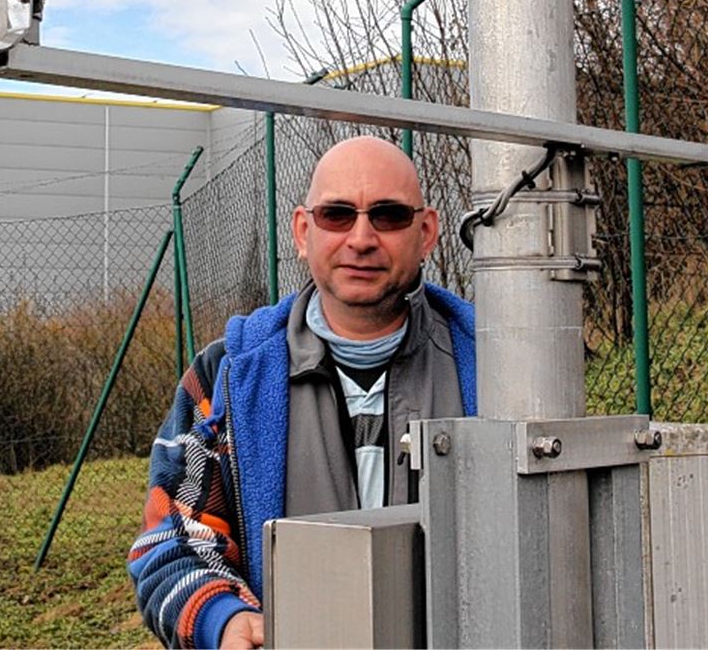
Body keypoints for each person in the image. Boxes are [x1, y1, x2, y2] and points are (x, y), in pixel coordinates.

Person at [128, 135, 477, 649]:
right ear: (302, 231)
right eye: (337, 215)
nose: (361, 238)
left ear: (426, 233)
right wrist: (222, 617)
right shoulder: (227, 376)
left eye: (388, 216)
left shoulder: (492, 365)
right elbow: (172, 539)